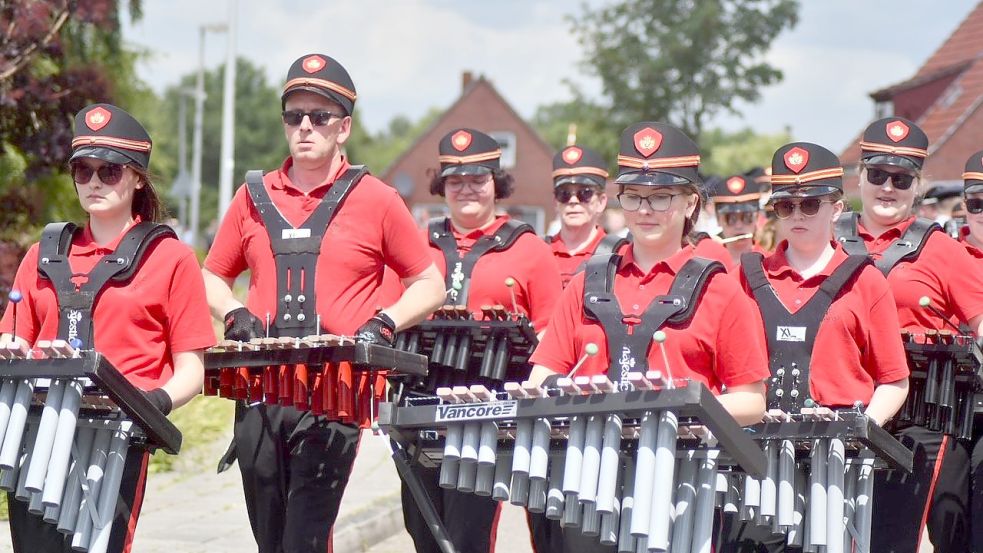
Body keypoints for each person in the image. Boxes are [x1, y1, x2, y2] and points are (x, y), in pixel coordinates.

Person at [201, 53, 445, 553]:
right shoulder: (251, 196)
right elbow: (209, 274)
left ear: (344, 128)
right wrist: (232, 311)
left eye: (320, 117)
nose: (305, 126)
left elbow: (429, 282)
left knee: (303, 540)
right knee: (270, 540)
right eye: (294, 116)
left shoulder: (377, 199)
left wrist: (385, 321)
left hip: (334, 394)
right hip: (260, 391)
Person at [527, 122, 770, 553]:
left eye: (661, 197)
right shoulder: (587, 282)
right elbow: (543, 375)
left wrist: (675, 406)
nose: (646, 209)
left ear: (690, 202)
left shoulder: (721, 290)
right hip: (589, 476)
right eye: (635, 196)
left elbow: (752, 401)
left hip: (683, 478)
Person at [0, 103, 215, 553]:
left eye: (110, 171)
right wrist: (11, 348)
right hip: (37, 432)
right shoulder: (44, 253)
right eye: (83, 170)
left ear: (137, 177)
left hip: (117, 437)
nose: (94, 181)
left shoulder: (172, 258)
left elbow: (192, 369)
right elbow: (15, 334)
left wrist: (151, 403)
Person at [721, 142, 910, 552]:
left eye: (810, 205)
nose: (797, 215)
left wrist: (860, 428)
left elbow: (894, 381)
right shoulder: (746, 275)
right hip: (756, 451)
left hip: (837, 457)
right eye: (785, 206)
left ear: (836, 208)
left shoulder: (866, 280)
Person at [392, 127, 562, 553]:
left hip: (489, 407)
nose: (466, 189)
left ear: (496, 183)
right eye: (455, 181)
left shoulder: (529, 248)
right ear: (442, 185)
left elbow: (551, 334)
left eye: (478, 179)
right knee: (423, 529)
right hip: (421, 399)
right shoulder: (418, 242)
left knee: (467, 535)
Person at [834, 117, 983, 553]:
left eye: (901, 179)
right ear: (859, 178)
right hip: (840, 405)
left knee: (915, 535)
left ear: (918, 186)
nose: (888, 187)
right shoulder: (828, 238)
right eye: (877, 175)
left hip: (924, 416)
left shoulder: (943, 249)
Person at [546, 145, 627, 288]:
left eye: (585, 193)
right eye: (564, 194)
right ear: (555, 201)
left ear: (601, 202)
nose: (573, 200)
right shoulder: (538, 251)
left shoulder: (621, 255)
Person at [710, 173, 767, 271]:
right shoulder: (708, 263)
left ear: (757, 217)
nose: (739, 225)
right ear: (718, 219)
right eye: (730, 218)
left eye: (746, 217)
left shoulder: (769, 261)